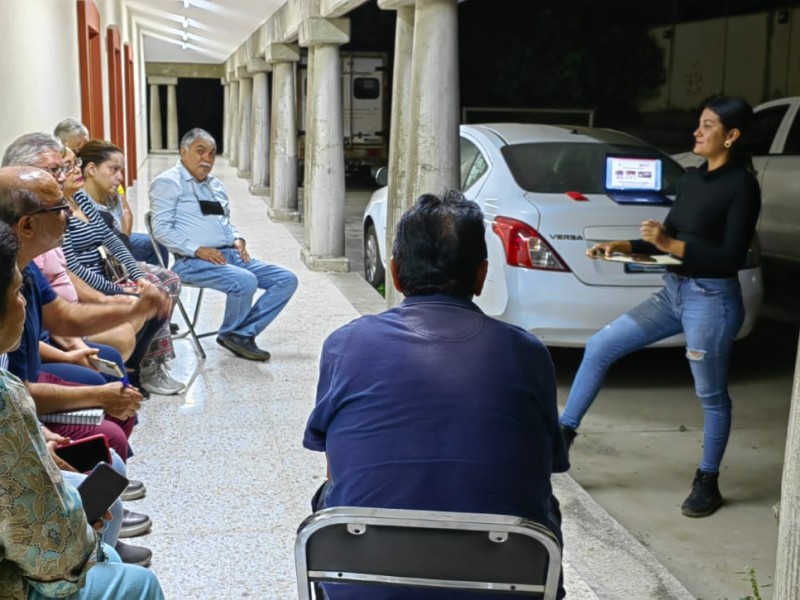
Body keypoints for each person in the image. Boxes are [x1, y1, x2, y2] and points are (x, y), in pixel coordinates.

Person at [303, 190, 568, 600]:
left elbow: (336, 468)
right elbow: (541, 468)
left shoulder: (345, 345)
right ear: (481, 275)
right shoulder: (528, 354)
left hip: (364, 583)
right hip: (509, 581)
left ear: (394, 272)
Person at [558, 96, 761, 518]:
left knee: (710, 395)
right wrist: (624, 246)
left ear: (732, 136)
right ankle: (562, 438)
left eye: (707, 126)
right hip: (674, 293)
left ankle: (707, 479)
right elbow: (668, 234)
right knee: (600, 346)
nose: (697, 133)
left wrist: (672, 245)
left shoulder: (742, 186)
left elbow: (732, 255)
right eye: (699, 124)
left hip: (711, 301)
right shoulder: (692, 180)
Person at [0, 220, 165, 599]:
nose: (23, 301)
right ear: (27, 223)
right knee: (138, 583)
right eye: (15, 293)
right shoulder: (6, 398)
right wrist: (81, 527)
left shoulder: (32, 269)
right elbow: (48, 549)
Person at [150, 128, 298, 361]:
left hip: (230, 256)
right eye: (200, 152)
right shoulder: (168, 183)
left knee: (286, 279)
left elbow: (224, 222)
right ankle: (232, 333)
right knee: (245, 280)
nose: (207, 159)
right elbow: (161, 229)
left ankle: (241, 334)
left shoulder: (215, 185)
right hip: (192, 260)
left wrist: (237, 238)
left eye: (211, 153)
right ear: (183, 151)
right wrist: (197, 249)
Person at [71, 139, 183, 395]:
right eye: (67, 167)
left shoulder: (81, 198)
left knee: (157, 297)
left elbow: (114, 237)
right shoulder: (59, 209)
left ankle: (136, 367)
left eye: (71, 165)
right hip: (93, 282)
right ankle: (140, 368)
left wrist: (136, 276)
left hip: (107, 268)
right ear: (90, 169)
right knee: (154, 294)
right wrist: (117, 291)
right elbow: (71, 266)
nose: (73, 171)